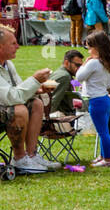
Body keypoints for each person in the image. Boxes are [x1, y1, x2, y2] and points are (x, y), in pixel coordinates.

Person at [0, 28, 59, 173]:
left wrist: (38, 89)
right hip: (5, 108)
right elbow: (12, 97)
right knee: (19, 109)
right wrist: (34, 80)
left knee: (36, 104)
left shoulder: (8, 64)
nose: (18, 46)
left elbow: (18, 89)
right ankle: (19, 159)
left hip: (4, 108)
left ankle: (31, 156)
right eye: (13, 43)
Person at [77, 31, 110, 168]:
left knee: (103, 132)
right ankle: (103, 155)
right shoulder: (107, 62)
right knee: (103, 130)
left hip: (96, 101)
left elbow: (79, 77)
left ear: (96, 47)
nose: (88, 51)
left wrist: (84, 64)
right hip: (105, 99)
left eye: (89, 47)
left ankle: (107, 159)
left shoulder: (93, 63)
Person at [48, 48, 83, 116]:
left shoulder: (60, 73)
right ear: (66, 63)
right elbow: (53, 100)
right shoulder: (65, 76)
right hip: (64, 117)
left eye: (81, 66)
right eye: (77, 65)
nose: (80, 69)